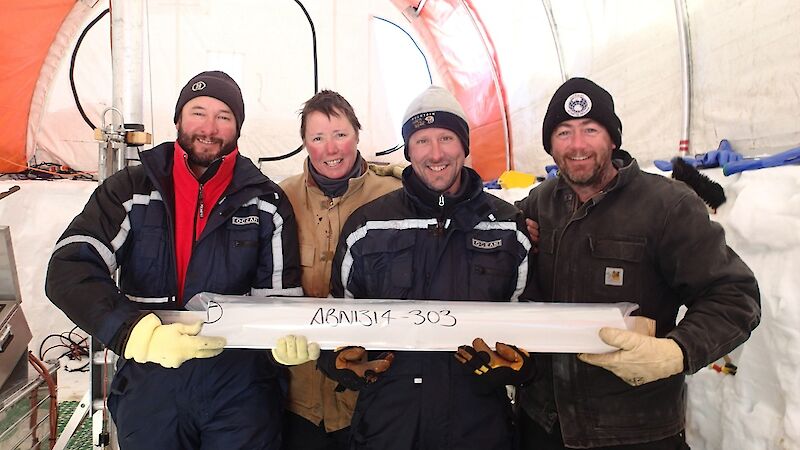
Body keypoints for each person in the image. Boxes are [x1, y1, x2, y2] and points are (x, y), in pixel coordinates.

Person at [46, 70, 316, 450]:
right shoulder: (129, 191)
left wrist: (284, 340)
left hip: (239, 388)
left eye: (224, 116)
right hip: (151, 379)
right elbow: (70, 267)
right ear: (177, 120)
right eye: (198, 112)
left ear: (237, 128)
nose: (209, 127)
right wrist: (137, 333)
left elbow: (277, 300)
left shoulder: (266, 203)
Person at [514, 77, 761, 449]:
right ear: (550, 145)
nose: (577, 145)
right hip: (544, 424)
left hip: (634, 431)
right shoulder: (539, 203)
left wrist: (677, 351)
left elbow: (734, 296)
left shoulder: (666, 206)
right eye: (564, 132)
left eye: (590, 130)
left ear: (613, 139)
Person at [318, 85, 535, 450]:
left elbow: (533, 319)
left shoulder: (507, 225)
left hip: (478, 424)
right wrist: (335, 361)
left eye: (447, 138)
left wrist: (523, 368)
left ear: (464, 146)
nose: (435, 154)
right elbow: (337, 315)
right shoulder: (368, 226)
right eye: (422, 141)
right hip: (389, 425)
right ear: (408, 150)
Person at [279, 90, 401, 449]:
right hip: (300, 400)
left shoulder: (395, 196)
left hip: (372, 395)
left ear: (358, 135)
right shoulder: (280, 198)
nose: (331, 149)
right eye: (318, 138)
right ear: (304, 144)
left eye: (340, 135)